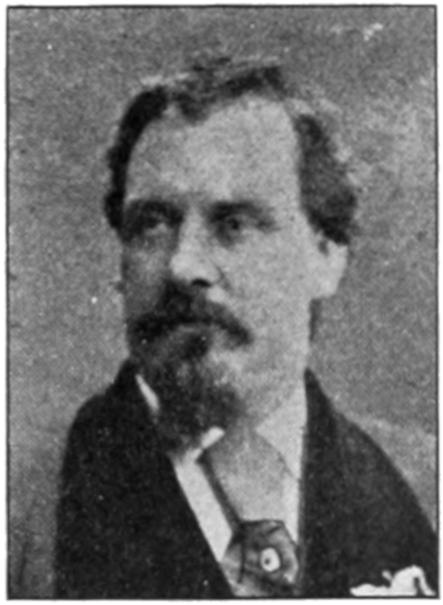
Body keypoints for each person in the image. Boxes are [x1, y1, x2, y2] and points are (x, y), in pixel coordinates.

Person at [54, 56, 437, 598]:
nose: (183, 265)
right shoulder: (26, 504)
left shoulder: (423, 488)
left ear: (326, 255)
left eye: (233, 223)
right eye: (152, 224)